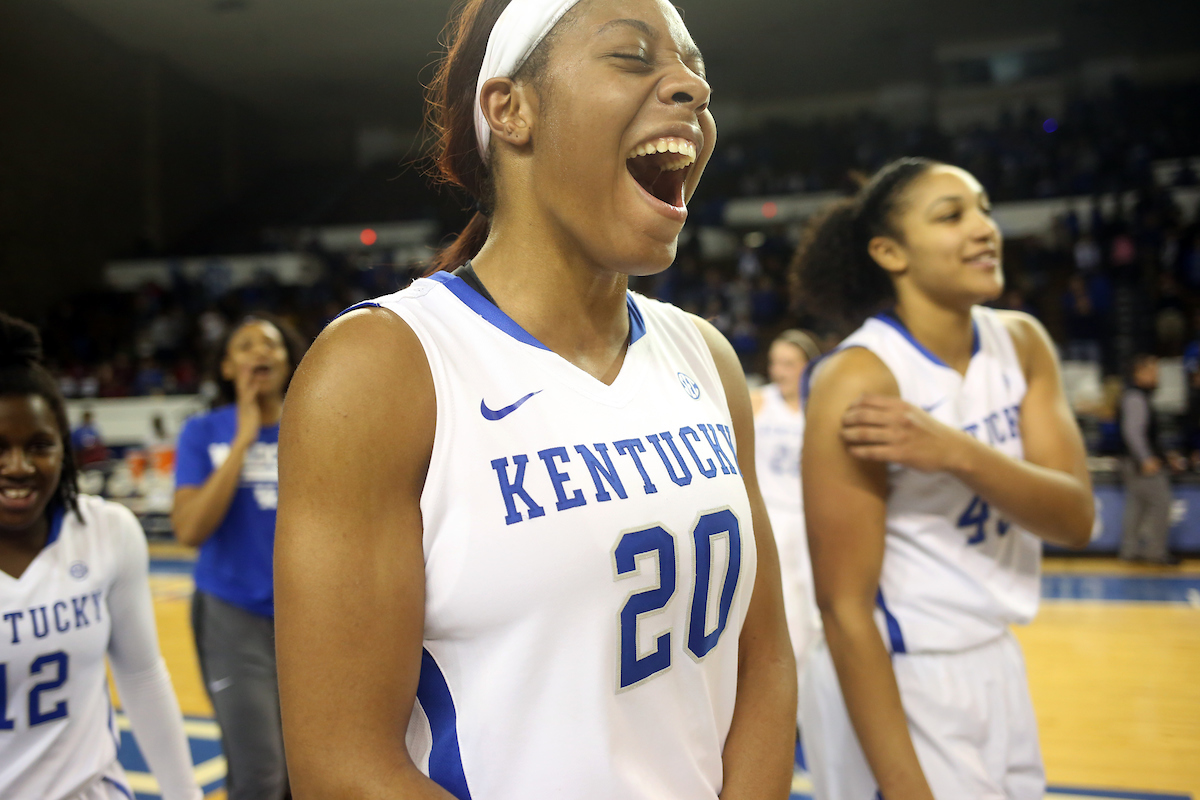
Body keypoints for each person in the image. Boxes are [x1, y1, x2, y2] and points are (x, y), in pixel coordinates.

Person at [273, 0, 797, 797]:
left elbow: (764, 662)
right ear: (510, 109)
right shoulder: (383, 368)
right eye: (632, 56)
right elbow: (339, 765)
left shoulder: (708, 359)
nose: (691, 87)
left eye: (695, 68)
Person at [794, 158, 1094, 800]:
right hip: (896, 671)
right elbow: (845, 611)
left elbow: (1075, 519)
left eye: (984, 208)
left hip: (995, 654)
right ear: (889, 252)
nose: (984, 228)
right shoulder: (862, 376)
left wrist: (957, 452)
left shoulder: (1022, 342)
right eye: (951, 216)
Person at [0, 312, 200, 800]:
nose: (19, 467)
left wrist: (185, 795)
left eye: (40, 446)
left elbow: (141, 675)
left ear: (64, 451)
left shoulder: (106, 531)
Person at [171, 314, 306, 800]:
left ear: (288, 360)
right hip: (233, 615)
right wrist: (244, 438)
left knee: (306, 771)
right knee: (260, 774)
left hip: (307, 620)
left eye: (270, 344)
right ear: (227, 368)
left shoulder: (316, 423)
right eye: (245, 345)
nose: (259, 352)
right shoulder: (203, 432)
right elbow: (189, 529)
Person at [751, 330, 823, 698]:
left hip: (813, 521)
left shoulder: (822, 407)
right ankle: (785, 702)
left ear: (807, 367)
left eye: (788, 364)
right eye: (775, 363)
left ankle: (813, 700)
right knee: (783, 612)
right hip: (773, 520)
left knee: (817, 614)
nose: (779, 371)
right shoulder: (758, 402)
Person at [1119, 354, 1182, 565]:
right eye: (1152, 371)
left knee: (1137, 508)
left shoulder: (1138, 396)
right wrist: (1146, 458)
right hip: (1140, 464)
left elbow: (1146, 433)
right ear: (1139, 373)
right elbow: (1133, 432)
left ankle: (1130, 551)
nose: (1156, 376)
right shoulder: (1135, 397)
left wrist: (1165, 456)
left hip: (1134, 462)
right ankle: (1155, 552)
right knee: (1160, 504)